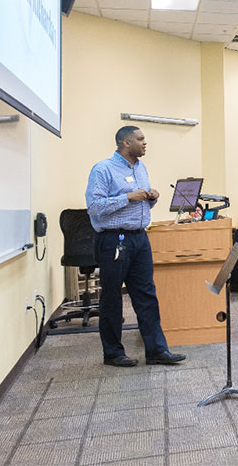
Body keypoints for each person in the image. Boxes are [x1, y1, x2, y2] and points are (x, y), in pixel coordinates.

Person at [85, 126, 185, 367]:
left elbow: (142, 206)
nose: (145, 143)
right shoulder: (103, 169)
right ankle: (113, 353)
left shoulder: (141, 168)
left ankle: (156, 351)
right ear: (126, 143)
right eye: (140, 139)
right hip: (113, 240)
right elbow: (95, 207)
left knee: (146, 294)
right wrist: (128, 197)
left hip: (139, 237)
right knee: (112, 298)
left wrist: (152, 197)